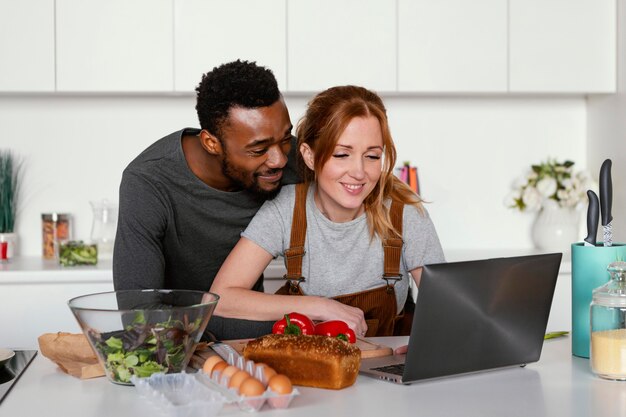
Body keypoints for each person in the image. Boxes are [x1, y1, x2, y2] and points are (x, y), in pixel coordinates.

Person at [210, 85, 445, 337]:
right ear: (310, 156)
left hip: (383, 369)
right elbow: (221, 297)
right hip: (309, 366)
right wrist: (319, 307)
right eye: (342, 154)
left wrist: (419, 349)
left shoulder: (404, 212)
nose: (359, 171)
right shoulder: (286, 209)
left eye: (372, 156)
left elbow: (446, 311)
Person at [113, 60, 299, 340]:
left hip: (253, 345)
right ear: (211, 143)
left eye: (285, 138)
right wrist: (300, 323)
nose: (280, 159)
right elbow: (141, 316)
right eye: (259, 149)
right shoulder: (148, 182)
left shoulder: (293, 159)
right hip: (172, 352)